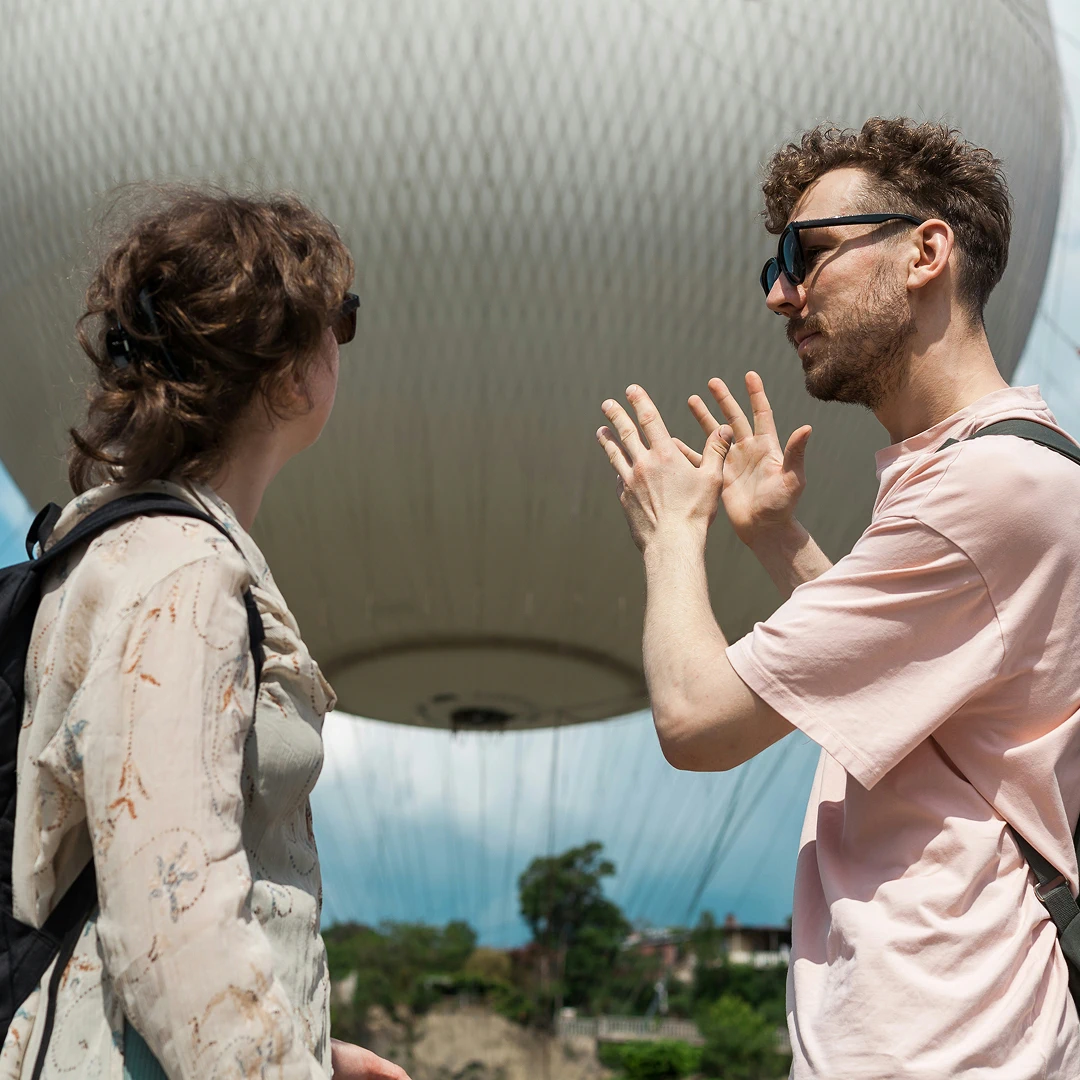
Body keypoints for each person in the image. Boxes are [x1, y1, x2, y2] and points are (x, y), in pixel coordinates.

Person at [596, 117, 1080, 1078]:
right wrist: (780, 539)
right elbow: (914, 706)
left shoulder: (978, 496)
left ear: (926, 252)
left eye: (806, 255)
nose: (781, 293)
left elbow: (696, 722)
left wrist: (671, 532)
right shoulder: (999, 478)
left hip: (943, 1040)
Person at [0, 187, 410, 1080]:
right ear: (285, 372)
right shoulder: (182, 571)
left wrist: (307, 1044)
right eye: (338, 322)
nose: (342, 346)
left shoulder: (111, 547)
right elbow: (171, 924)